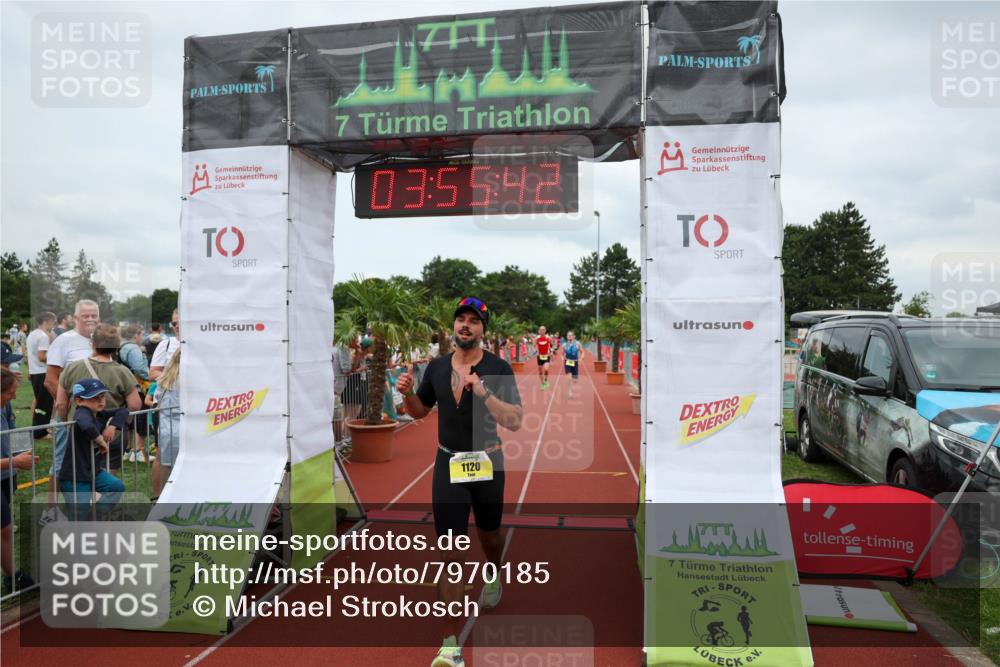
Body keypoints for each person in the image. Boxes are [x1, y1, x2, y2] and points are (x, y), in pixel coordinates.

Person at [396, 296, 523, 667]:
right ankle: (450, 645)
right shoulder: (435, 368)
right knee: (450, 552)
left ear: (484, 329)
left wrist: (483, 391)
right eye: (461, 320)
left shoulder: (498, 368)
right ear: (454, 326)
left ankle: (494, 571)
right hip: (448, 464)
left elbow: (515, 420)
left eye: (474, 321)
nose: (465, 325)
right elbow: (420, 411)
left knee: (490, 535)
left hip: (488, 462)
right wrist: (406, 395)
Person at [55, 325, 141, 476]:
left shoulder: (71, 368)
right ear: (117, 346)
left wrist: (67, 422)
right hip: (111, 433)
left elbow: (61, 404)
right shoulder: (123, 372)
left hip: (79, 432)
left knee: (81, 479)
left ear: (92, 343)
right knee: (106, 479)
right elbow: (134, 405)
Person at [57, 378, 128, 520]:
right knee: (79, 516)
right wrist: (100, 440)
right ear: (79, 401)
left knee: (116, 486)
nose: (101, 401)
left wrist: (113, 425)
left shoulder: (100, 414)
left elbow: (123, 411)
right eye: (94, 398)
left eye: (102, 397)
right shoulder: (82, 412)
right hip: (75, 477)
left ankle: (94, 515)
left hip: (93, 472)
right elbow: (86, 424)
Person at [1, 368, 39, 594]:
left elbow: (12, 429)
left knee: (5, 528)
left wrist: (22, 452)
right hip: (7, 467)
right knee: (4, 527)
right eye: (9, 393)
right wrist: (14, 462)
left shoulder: (4, 406)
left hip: (6, 474)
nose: (14, 397)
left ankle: (12, 576)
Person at [119, 324, 151, 462]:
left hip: (124, 387)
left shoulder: (121, 347)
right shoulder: (133, 348)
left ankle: (127, 450)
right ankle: (138, 451)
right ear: (136, 335)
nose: (142, 337)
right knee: (140, 417)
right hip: (136, 388)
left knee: (128, 419)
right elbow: (140, 369)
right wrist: (151, 376)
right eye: (141, 334)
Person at [151, 349, 180, 499]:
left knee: (163, 461)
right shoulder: (188, 380)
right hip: (181, 426)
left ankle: (159, 497)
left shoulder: (164, 379)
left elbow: (156, 401)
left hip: (166, 426)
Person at [26, 312, 56, 439]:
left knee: (41, 403)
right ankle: (40, 432)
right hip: (42, 372)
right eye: (53, 322)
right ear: (46, 321)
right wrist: (56, 358)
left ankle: (39, 429)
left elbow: (30, 355)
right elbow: (42, 356)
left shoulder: (32, 334)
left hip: (35, 372)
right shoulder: (43, 336)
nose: (54, 324)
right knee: (44, 404)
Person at [149, 309, 180, 381]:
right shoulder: (165, 343)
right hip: (170, 390)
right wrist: (176, 377)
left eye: (181, 322)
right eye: (174, 324)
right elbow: (152, 374)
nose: (177, 326)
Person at [562, 331, 584, 399]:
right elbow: (562, 354)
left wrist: (581, 358)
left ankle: (574, 378)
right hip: (567, 362)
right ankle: (570, 392)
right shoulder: (564, 345)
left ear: (574, 336)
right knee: (569, 378)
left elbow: (582, 352)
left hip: (575, 362)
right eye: (568, 335)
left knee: (575, 380)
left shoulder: (577, 344)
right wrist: (562, 358)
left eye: (571, 335)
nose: (569, 336)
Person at [535, 325, 552, 390]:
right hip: (539, 356)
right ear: (539, 331)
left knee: (546, 369)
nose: (542, 331)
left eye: (543, 330)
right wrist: (536, 351)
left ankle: (546, 380)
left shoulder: (549, 338)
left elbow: (552, 345)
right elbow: (534, 346)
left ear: (545, 331)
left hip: (546, 355)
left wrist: (550, 351)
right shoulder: (537, 339)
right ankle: (542, 384)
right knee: (540, 371)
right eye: (541, 330)